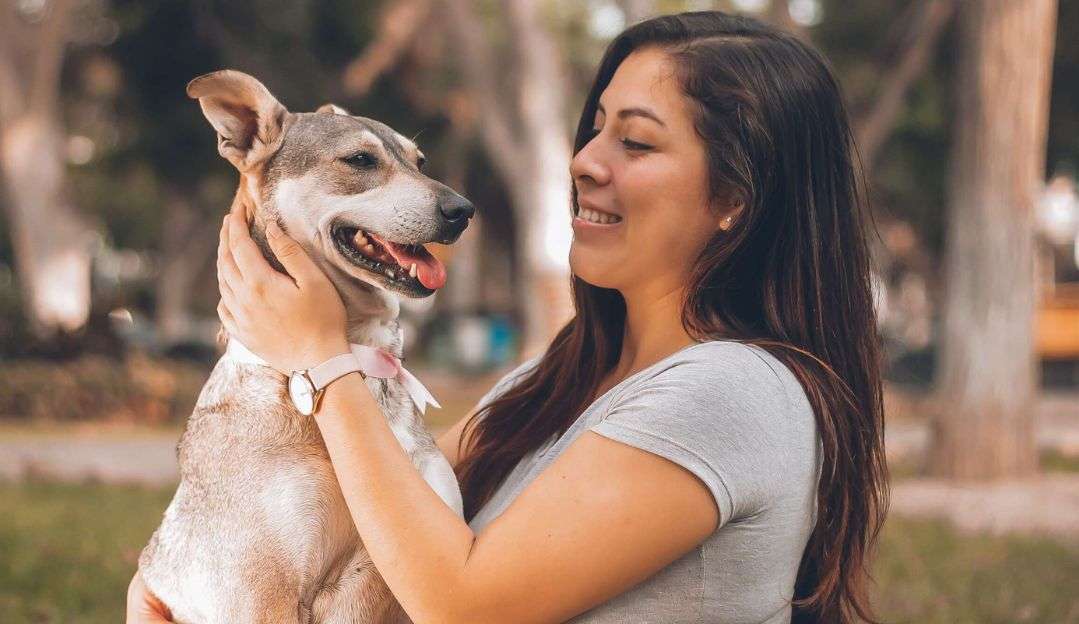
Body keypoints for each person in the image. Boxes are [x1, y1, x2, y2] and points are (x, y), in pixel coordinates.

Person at [128, 10, 888, 624]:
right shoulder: (553, 380)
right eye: (594, 128)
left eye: (635, 140)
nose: (585, 160)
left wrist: (321, 354)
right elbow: (362, 504)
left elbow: (460, 607)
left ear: (732, 202)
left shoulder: (731, 392)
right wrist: (169, 584)